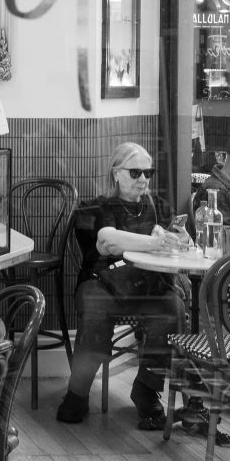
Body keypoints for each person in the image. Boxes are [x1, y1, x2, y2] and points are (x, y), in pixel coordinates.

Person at [56, 143, 192, 433]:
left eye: (148, 172)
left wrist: (181, 240)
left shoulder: (160, 207)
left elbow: (183, 244)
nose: (143, 179)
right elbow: (108, 241)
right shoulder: (95, 207)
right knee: (96, 309)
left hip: (147, 284)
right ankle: (78, 392)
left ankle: (146, 389)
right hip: (101, 282)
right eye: (135, 172)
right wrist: (154, 242)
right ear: (116, 173)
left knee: (173, 308)